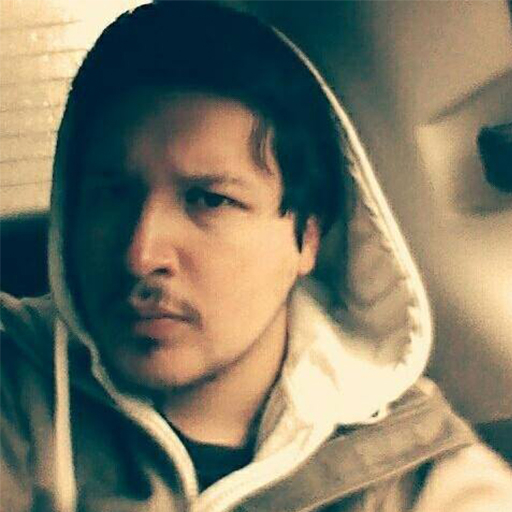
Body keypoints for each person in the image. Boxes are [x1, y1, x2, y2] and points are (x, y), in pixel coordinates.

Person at [1, 2, 511, 511]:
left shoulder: (420, 475)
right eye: (111, 195)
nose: (140, 255)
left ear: (307, 238)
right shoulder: (19, 384)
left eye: (210, 200)